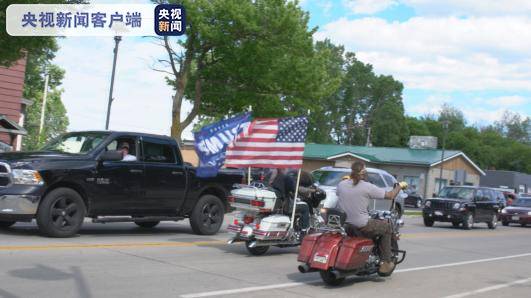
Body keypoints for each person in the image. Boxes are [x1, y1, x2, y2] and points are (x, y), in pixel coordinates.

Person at [336, 161, 402, 275]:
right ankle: (386, 262)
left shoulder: (341, 184)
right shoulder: (367, 187)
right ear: (363, 173)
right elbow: (390, 195)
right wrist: (399, 187)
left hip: (344, 224)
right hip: (361, 224)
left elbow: (341, 195)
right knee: (386, 227)